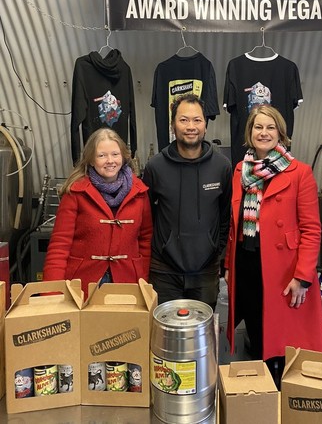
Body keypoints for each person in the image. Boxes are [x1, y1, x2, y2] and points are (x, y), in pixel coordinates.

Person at [224, 105, 322, 384]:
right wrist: (228, 265)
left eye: (270, 127)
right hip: (246, 264)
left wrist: (303, 277)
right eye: (258, 127)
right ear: (250, 133)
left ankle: (283, 391)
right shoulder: (240, 170)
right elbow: (233, 224)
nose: (264, 133)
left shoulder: (299, 172)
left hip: (283, 269)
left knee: (284, 340)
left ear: (281, 134)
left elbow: (311, 230)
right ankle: (262, 392)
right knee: (256, 330)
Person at [143, 93, 232, 310]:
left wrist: (216, 251)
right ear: (173, 125)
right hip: (164, 272)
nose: (191, 126)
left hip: (205, 272)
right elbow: (146, 217)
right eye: (183, 120)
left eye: (197, 120)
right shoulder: (156, 167)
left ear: (205, 125)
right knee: (163, 330)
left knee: (202, 330)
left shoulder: (222, 167)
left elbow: (225, 216)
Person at [43, 128, 152, 299]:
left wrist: (142, 281)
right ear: (91, 160)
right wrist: (52, 294)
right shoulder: (75, 193)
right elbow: (60, 245)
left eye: (115, 154)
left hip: (127, 281)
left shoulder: (139, 192)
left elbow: (145, 240)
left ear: (124, 157)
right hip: (83, 283)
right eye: (102, 155)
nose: (110, 161)